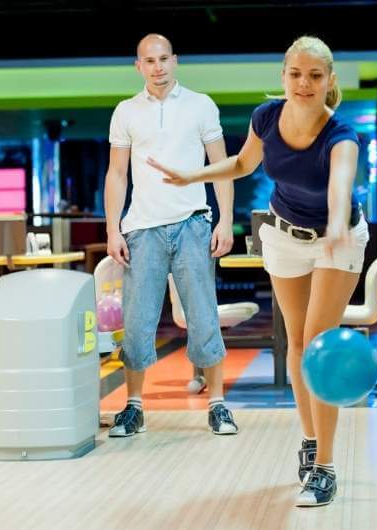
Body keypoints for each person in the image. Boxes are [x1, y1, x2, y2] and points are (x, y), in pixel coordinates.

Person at [148, 36, 368, 507]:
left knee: (317, 344)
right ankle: (309, 441)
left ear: (329, 81)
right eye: (295, 74)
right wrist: (193, 177)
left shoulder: (342, 135)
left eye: (314, 75)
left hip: (338, 239)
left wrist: (334, 226)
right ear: (283, 76)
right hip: (285, 234)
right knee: (293, 339)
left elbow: (340, 185)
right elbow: (245, 163)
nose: (304, 83)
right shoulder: (266, 117)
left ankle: (325, 467)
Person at [104, 33, 238, 438]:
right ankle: (134, 407)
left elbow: (223, 167)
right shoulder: (126, 111)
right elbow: (117, 174)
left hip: (192, 224)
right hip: (141, 229)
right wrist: (113, 228)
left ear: (175, 60)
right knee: (138, 320)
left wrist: (225, 220)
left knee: (203, 316)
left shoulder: (201, 105)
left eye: (164, 59)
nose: (158, 66)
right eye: (149, 60)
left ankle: (217, 405)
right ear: (138, 66)